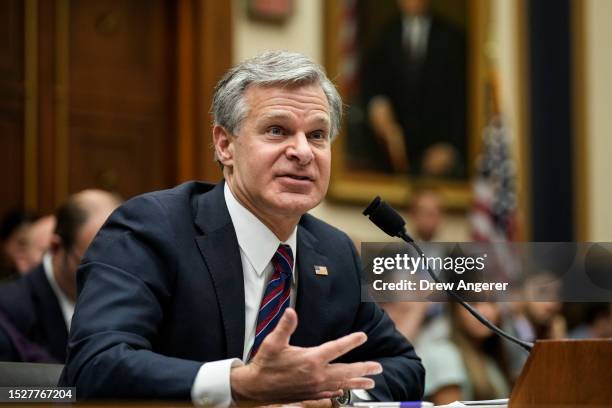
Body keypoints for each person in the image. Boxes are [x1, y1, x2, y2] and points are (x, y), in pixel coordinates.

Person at [59, 51, 425, 406]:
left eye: (317, 135)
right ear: (225, 145)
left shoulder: (334, 251)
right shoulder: (151, 229)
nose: (303, 151)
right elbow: (94, 367)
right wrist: (238, 385)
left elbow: (405, 368)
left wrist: (335, 395)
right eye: (277, 130)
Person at [0, 190, 121, 362]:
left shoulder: (135, 295)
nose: (111, 275)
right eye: (93, 265)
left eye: (119, 262)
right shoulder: (9, 310)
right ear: (56, 248)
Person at [362, 0, 466, 177]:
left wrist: (450, 146)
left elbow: (462, 100)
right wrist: (377, 106)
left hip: (439, 153)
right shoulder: (385, 34)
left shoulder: (452, 38)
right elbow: (373, 86)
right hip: (393, 158)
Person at [418, 302, 512, 405]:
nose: (485, 312)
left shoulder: (488, 356)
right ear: (455, 311)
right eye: (474, 304)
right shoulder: (444, 355)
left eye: (491, 303)